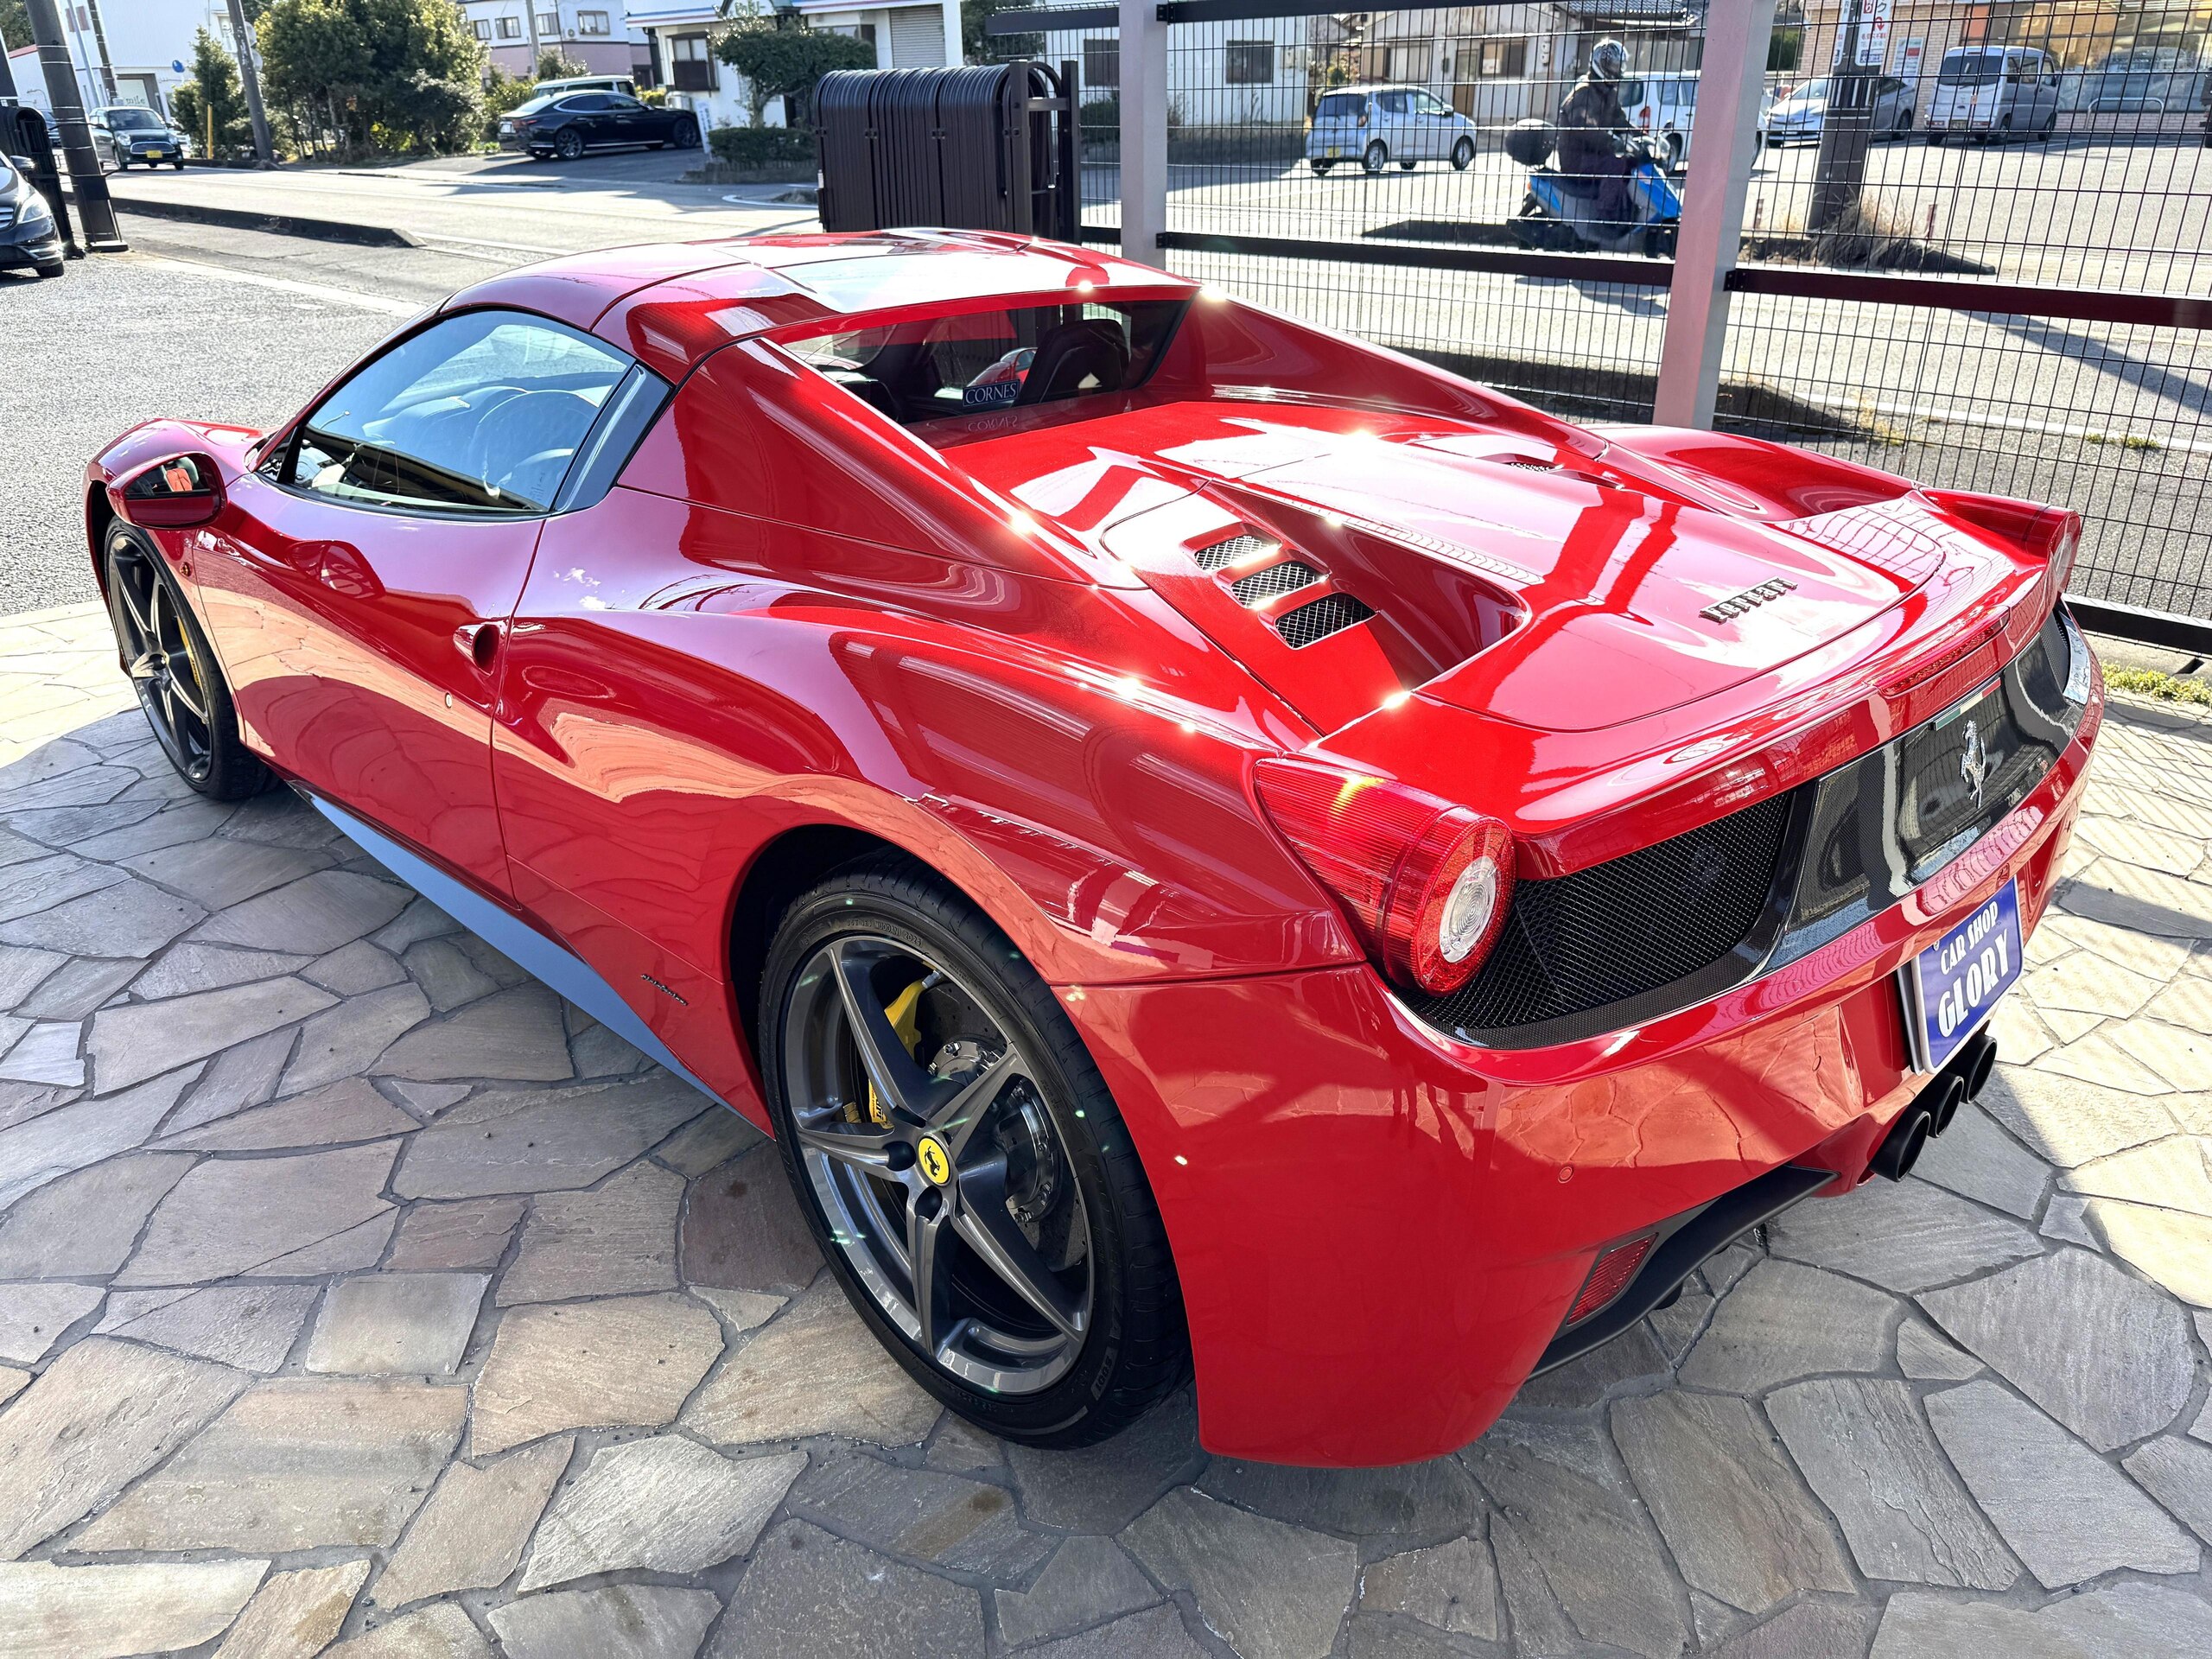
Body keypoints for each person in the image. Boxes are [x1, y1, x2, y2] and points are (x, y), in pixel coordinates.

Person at [1557, 39, 1637, 229]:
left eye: (1620, 66)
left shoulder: (1607, 92)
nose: (1618, 70)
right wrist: (1613, 142)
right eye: (1614, 65)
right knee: (1615, 163)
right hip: (1577, 159)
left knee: (1634, 161)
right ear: (1601, 64)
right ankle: (1606, 217)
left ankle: (1627, 212)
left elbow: (1620, 120)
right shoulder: (1584, 92)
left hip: (1594, 154)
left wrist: (1642, 137)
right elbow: (1584, 127)